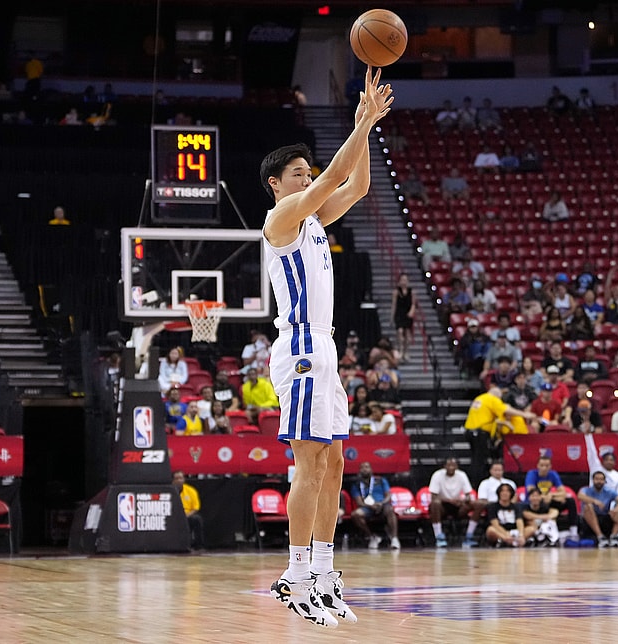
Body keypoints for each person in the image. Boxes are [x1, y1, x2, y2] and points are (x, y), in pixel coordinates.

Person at [264, 67, 391, 628]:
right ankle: (295, 574)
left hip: (325, 350)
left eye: (306, 174)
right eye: (298, 174)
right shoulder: (281, 219)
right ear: (277, 183)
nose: (306, 179)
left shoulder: (314, 219)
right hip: (299, 349)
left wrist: (367, 130)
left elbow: (356, 184)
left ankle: (322, 569)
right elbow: (336, 172)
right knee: (309, 463)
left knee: (334, 461)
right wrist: (359, 122)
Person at [428, 457, 483, 548]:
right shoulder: (437, 475)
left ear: (457, 466)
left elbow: (468, 495)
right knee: (435, 503)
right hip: (443, 506)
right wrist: (449, 500)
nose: (451, 467)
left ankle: (469, 536)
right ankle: (439, 536)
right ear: (444, 466)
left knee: (480, 504)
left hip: (458, 505)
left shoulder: (462, 475)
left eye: (453, 465)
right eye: (449, 465)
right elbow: (433, 496)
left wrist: (463, 500)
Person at [525, 456, 580, 541]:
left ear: (550, 466)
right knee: (539, 500)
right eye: (542, 465)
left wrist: (551, 495)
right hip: (535, 502)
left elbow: (563, 492)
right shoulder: (532, 474)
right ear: (538, 466)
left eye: (547, 466)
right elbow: (531, 491)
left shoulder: (553, 474)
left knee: (570, 500)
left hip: (548, 500)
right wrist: (545, 496)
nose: (544, 468)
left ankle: (573, 531)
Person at [350, 461, 399, 552]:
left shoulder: (380, 480)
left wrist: (381, 503)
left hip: (382, 505)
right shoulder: (356, 485)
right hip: (367, 507)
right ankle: (372, 537)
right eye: (362, 467)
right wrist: (370, 506)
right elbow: (359, 502)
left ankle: (394, 539)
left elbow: (388, 496)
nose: (365, 469)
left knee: (390, 510)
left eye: (367, 467)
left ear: (371, 470)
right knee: (355, 514)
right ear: (359, 470)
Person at [578, 471, 618, 548]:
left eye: (601, 479)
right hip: (590, 521)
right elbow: (580, 496)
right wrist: (595, 501)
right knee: (588, 507)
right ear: (593, 480)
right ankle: (600, 537)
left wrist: (617, 508)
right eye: (597, 479)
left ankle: (614, 536)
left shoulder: (609, 492)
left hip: (605, 518)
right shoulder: (586, 490)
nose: (599, 481)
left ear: (605, 481)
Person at [484, 483, 525, 547]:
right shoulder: (492, 506)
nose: (505, 493)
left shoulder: (516, 506)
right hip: (500, 531)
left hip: (514, 531)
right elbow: (495, 524)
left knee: (531, 529)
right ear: (499, 493)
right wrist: (506, 535)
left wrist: (521, 535)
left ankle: (517, 540)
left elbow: (519, 520)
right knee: (490, 530)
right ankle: (507, 541)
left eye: (507, 491)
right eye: (502, 491)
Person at [173, 470, 205, 551]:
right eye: (176, 478)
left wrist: (186, 516)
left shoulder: (191, 491)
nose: (178, 480)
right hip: (173, 516)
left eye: (180, 478)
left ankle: (199, 546)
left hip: (188, 515)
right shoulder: (169, 491)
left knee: (197, 519)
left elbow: (196, 508)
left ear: (184, 479)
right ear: (173, 480)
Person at [391, 272, 416, 363]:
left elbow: (413, 304)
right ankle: (400, 350)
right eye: (402, 280)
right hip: (399, 314)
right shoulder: (396, 292)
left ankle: (406, 352)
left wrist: (411, 312)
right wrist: (392, 316)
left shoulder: (411, 291)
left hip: (407, 314)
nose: (404, 282)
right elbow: (394, 305)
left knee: (407, 336)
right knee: (400, 332)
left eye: (405, 280)